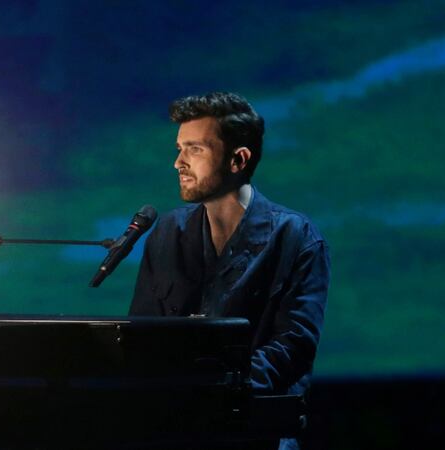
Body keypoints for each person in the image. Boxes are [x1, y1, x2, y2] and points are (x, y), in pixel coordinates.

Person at [128, 92, 330, 449]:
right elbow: (142, 332)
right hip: (178, 433)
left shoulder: (295, 236)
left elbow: (294, 344)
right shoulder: (165, 233)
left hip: (256, 434)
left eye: (195, 149)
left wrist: (219, 383)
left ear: (238, 160)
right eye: (179, 148)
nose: (179, 162)